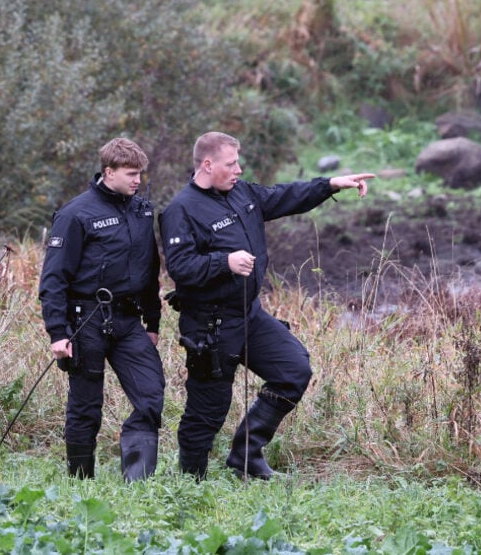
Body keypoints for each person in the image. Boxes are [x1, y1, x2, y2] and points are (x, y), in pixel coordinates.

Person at [159, 130, 375, 480]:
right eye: (231, 164)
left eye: (238, 162)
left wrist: (331, 184)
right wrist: (223, 262)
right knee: (208, 410)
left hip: (249, 316)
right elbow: (180, 267)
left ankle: (246, 457)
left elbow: (284, 196)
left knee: (293, 371)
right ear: (207, 163)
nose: (239, 169)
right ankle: (190, 483)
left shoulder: (241, 193)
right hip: (210, 326)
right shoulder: (180, 211)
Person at [39, 138, 164, 481]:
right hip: (85, 319)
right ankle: (81, 481)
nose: (137, 180)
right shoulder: (75, 214)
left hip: (128, 320)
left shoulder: (142, 211)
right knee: (85, 407)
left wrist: (153, 322)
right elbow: (53, 279)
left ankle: (136, 479)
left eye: (140, 173)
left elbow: (149, 270)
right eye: (130, 173)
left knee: (151, 394)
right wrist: (58, 332)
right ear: (108, 172)